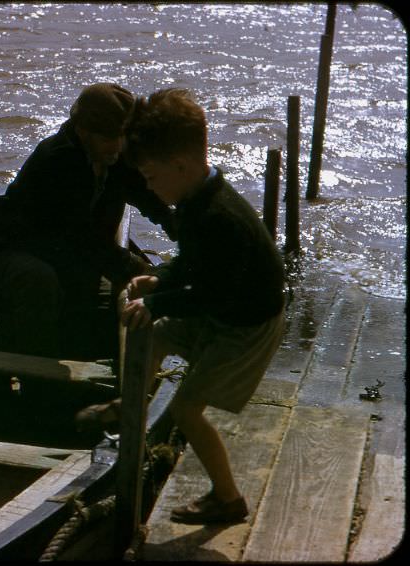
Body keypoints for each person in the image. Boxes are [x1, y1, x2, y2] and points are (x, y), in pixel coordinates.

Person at [77, 88, 285, 524]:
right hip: (222, 304)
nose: (148, 187)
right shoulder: (193, 200)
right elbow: (191, 267)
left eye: (151, 178)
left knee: (187, 410)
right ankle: (130, 407)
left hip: (246, 325)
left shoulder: (219, 218)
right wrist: (162, 281)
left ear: (180, 165)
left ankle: (228, 499)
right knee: (153, 333)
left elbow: (213, 294)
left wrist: (158, 300)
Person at [0, 83, 175, 361]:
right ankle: (31, 372)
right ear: (83, 131)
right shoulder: (57, 161)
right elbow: (79, 241)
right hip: (10, 249)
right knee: (39, 280)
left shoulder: (115, 153)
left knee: (98, 285)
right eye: (109, 138)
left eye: (122, 137)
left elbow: (148, 196)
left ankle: (82, 346)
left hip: (63, 250)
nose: (117, 146)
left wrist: (180, 225)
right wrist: (134, 266)